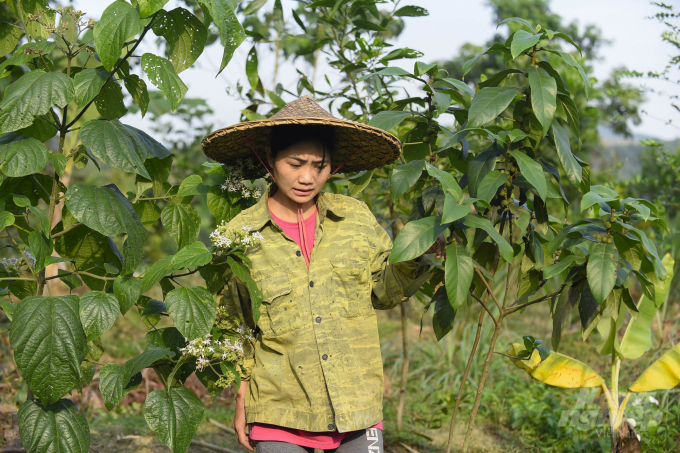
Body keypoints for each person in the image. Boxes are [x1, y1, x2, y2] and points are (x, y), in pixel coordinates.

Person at [201, 96, 445, 453]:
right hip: (278, 407)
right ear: (270, 159)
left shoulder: (356, 218)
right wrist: (241, 400)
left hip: (355, 401)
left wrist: (418, 254)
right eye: (295, 163)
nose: (307, 177)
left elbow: (384, 292)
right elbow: (234, 326)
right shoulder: (241, 234)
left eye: (320, 165)